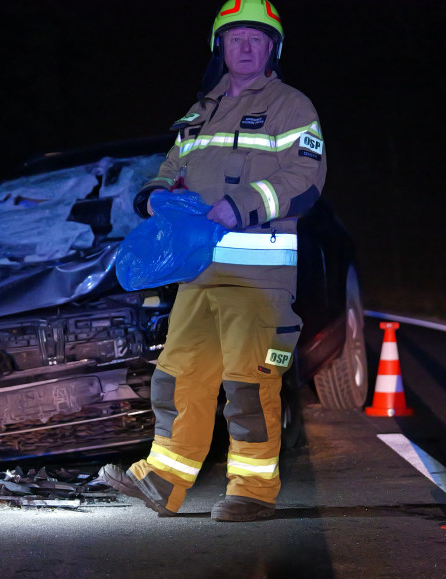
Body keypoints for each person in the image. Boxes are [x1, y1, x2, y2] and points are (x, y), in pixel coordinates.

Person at [101, 0, 326, 522]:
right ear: (219, 46)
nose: (244, 47)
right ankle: (164, 480)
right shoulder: (199, 111)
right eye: (234, 38)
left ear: (273, 48)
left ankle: (251, 492)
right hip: (198, 273)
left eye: (256, 38)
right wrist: (153, 196)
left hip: (258, 275)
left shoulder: (293, 107)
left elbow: (306, 179)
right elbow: (170, 166)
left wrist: (240, 204)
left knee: (249, 383)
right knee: (178, 377)